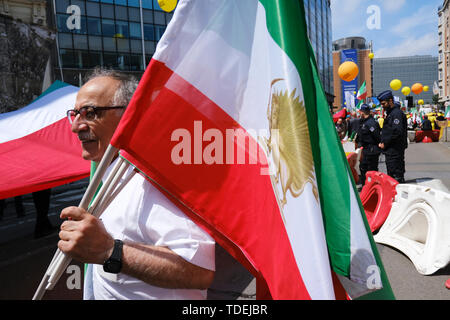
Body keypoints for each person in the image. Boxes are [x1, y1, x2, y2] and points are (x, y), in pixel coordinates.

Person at [58, 68, 215, 299]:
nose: (76, 126)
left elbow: (199, 271)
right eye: (75, 114)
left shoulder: (149, 181)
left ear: (128, 115)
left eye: (90, 113)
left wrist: (109, 251)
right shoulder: (109, 176)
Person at [377, 90, 408, 183]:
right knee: (392, 173)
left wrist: (385, 143)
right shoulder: (391, 113)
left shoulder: (396, 113)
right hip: (391, 150)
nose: (382, 106)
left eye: (383, 103)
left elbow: (397, 132)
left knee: (395, 176)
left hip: (394, 150)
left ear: (390, 101)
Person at [355, 104, 381, 186]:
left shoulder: (371, 123)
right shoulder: (363, 122)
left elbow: (377, 136)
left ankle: (371, 186)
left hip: (371, 150)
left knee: (371, 170)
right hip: (366, 149)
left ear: (362, 112)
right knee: (364, 169)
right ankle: (366, 186)